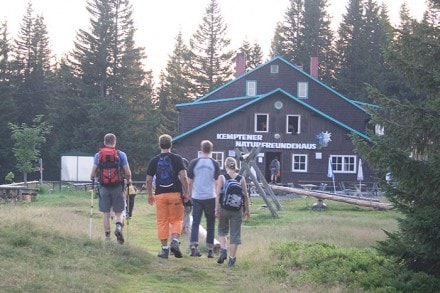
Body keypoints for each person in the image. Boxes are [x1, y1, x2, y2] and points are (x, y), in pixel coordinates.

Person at [146, 134, 189, 259]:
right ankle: (175, 241)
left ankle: (164, 250)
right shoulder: (177, 159)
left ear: (159, 145)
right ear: (171, 144)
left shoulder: (154, 160)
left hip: (160, 195)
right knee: (177, 220)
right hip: (175, 194)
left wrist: (150, 195)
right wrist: (186, 192)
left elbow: (148, 180)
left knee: (162, 221)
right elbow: (184, 177)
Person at [90, 133, 132, 244]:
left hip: (103, 187)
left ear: (104, 142)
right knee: (118, 212)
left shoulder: (98, 155)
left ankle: (108, 238)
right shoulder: (121, 154)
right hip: (117, 186)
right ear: (115, 142)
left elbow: (93, 173)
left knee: (106, 213)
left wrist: (92, 178)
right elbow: (127, 172)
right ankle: (118, 227)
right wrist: (128, 180)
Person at [187, 140, 220, 258]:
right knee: (210, 223)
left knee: (195, 222)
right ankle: (210, 249)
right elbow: (217, 183)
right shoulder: (215, 164)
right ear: (211, 150)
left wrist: (189, 194)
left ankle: (193, 247)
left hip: (197, 196)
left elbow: (189, 181)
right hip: (210, 196)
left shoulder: (194, 163)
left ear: (201, 149)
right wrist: (217, 201)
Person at [215, 157, 250, 267]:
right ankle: (232, 259)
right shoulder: (241, 178)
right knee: (235, 234)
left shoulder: (222, 177)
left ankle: (224, 250)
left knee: (222, 230)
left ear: (225, 166)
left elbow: (218, 195)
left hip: (224, 208)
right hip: (237, 210)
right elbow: (246, 196)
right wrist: (247, 210)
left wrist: (216, 209)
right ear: (235, 166)